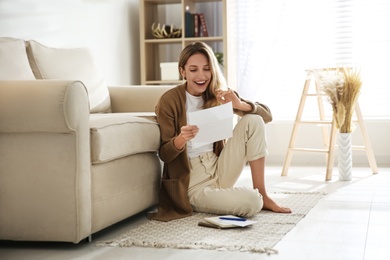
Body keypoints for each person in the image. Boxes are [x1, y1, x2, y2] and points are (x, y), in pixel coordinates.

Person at [148, 42, 291, 222]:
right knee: (253, 202)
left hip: (219, 166)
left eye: (206, 69)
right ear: (183, 71)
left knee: (253, 120)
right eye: (193, 70)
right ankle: (249, 198)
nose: (201, 75)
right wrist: (181, 139)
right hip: (193, 182)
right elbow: (165, 154)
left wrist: (239, 105)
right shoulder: (169, 101)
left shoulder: (217, 94)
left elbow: (266, 116)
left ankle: (263, 193)